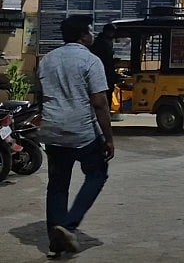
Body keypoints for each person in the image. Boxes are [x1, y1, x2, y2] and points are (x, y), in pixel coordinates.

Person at [37, 14, 114, 257]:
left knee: (58, 184)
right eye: (90, 31)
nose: (93, 35)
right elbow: (100, 102)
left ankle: (56, 238)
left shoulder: (47, 60)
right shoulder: (91, 61)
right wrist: (109, 138)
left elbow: (41, 95)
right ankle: (69, 226)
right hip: (82, 131)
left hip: (52, 129)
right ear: (83, 36)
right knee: (97, 174)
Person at [89, 22, 123, 121]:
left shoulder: (104, 41)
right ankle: (102, 116)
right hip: (104, 74)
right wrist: (112, 62)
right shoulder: (102, 42)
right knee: (104, 95)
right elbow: (105, 59)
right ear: (108, 32)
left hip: (105, 73)